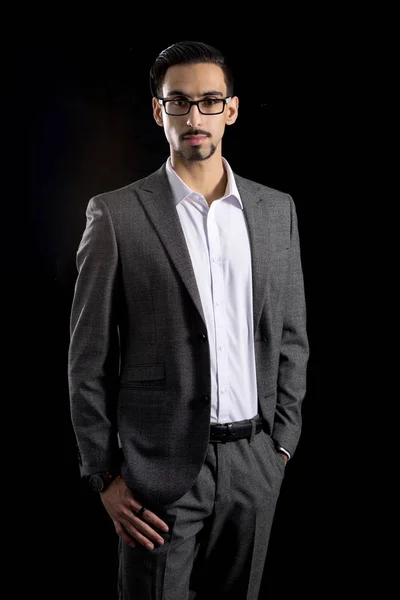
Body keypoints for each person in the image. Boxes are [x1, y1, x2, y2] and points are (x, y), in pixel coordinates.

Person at [68, 40, 309, 600]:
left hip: (255, 463)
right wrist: (105, 475)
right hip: (159, 472)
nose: (194, 117)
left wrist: (281, 446)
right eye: (179, 102)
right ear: (159, 111)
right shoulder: (117, 214)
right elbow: (87, 359)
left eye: (208, 101)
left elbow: (292, 337)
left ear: (232, 109)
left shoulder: (277, 211)